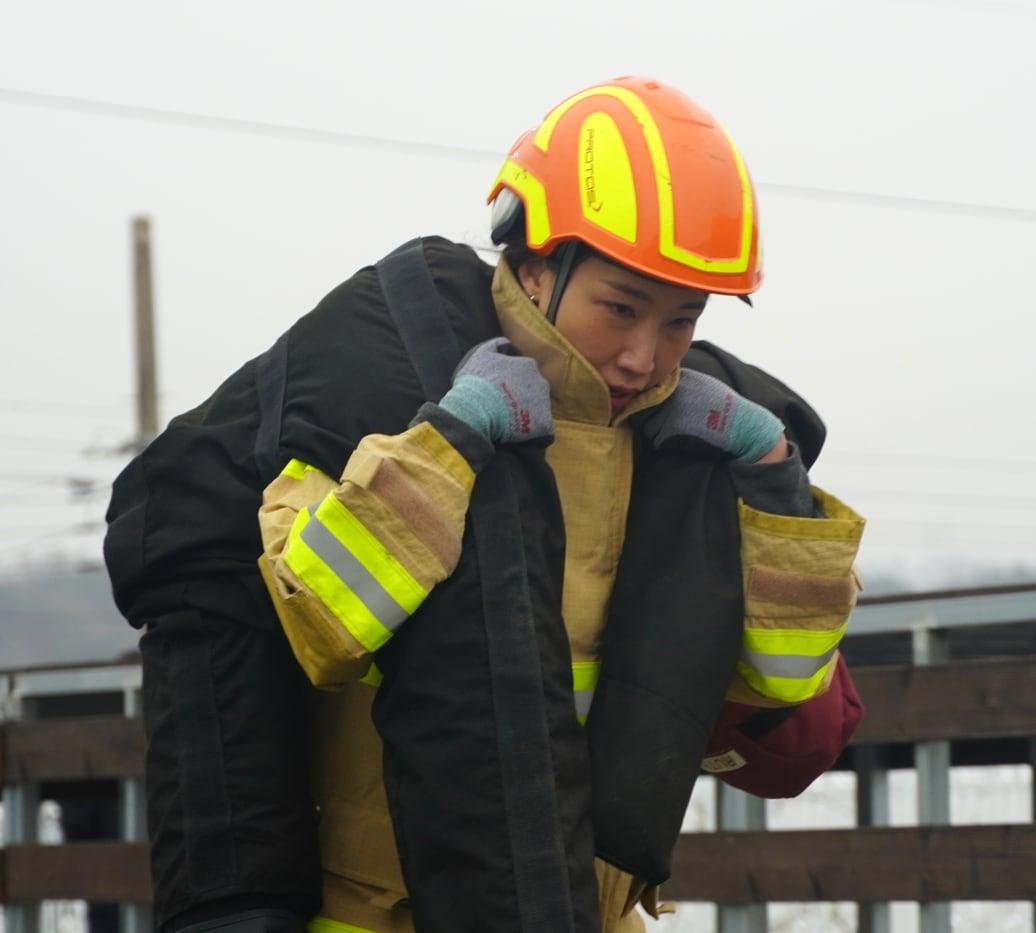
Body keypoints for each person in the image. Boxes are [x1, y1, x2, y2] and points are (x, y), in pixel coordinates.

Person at [106, 76, 866, 933]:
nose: (643, 356)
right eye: (620, 308)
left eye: (681, 321)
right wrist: (446, 444)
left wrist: (774, 480)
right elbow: (324, 622)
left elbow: (784, 681)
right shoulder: (380, 386)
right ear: (536, 262)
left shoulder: (692, 452)